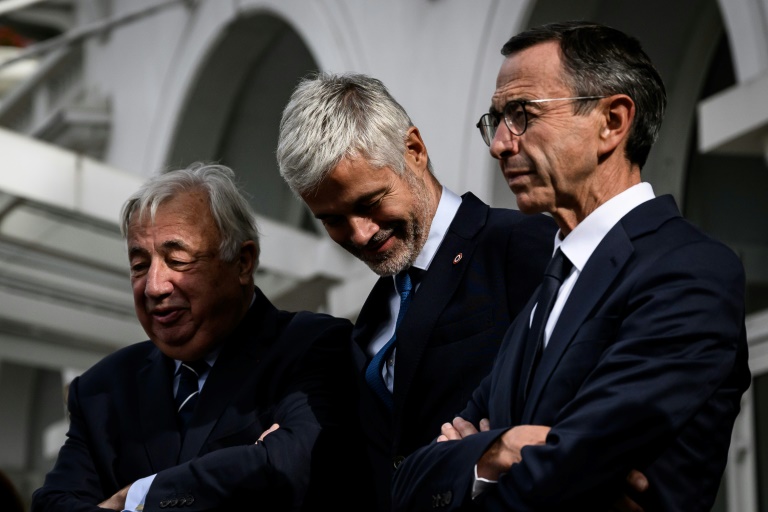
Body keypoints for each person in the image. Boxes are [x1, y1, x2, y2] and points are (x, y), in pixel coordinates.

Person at [392, 20, 751, 512]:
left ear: (612, 121)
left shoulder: (689, 272)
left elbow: (569, 474)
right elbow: (409, 481)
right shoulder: (548, 291)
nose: (499, 143)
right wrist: (500, 449)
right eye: (494, 121)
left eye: (520, 114)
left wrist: (476, 455)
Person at [276, 72, 558, 512]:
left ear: (415, 150)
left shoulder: (524, 246)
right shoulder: (372, 317)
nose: (359, 233)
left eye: (369, 202)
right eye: (331, 219)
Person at [31, 163, 359, 511]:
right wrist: (244, 462)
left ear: (243, 263)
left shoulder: (313, 346)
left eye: (177, 260)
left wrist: (138, 498)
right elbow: (52, 504)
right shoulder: (103, 390)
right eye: (140, 265)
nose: (155, 286)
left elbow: (292, 464)